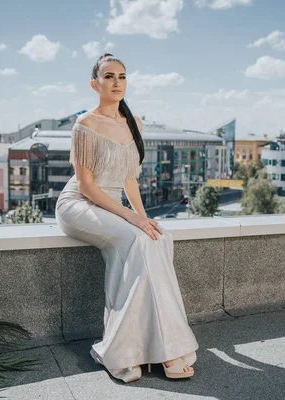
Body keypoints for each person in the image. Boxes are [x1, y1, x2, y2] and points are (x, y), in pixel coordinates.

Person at [55, 53, 198, 383]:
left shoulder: (135, 124)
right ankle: (128, 352)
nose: (116, 82)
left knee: (158, 237)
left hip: (113, 205)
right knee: (135, 238)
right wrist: (132, 219)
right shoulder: (85, 125)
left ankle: (149, 349)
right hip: (80, 204)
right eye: (108, 76)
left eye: (121, 76)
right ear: (95, 84)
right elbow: (88, 186)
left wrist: (145, 218)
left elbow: (129, 179)